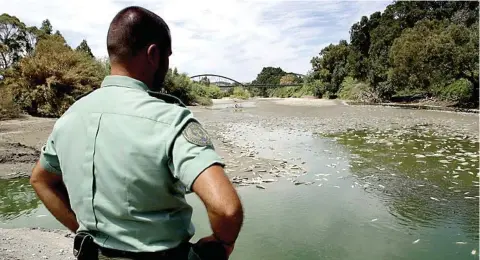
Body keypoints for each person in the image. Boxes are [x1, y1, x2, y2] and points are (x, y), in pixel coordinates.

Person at [29, 6, 244, 260]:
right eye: (167, 56)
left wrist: (83, 231)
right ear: (154, 54)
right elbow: (226, 209)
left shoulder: (70, 116)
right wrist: (222, 242)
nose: (167, 65)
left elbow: (40, 180)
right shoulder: (170, 119)